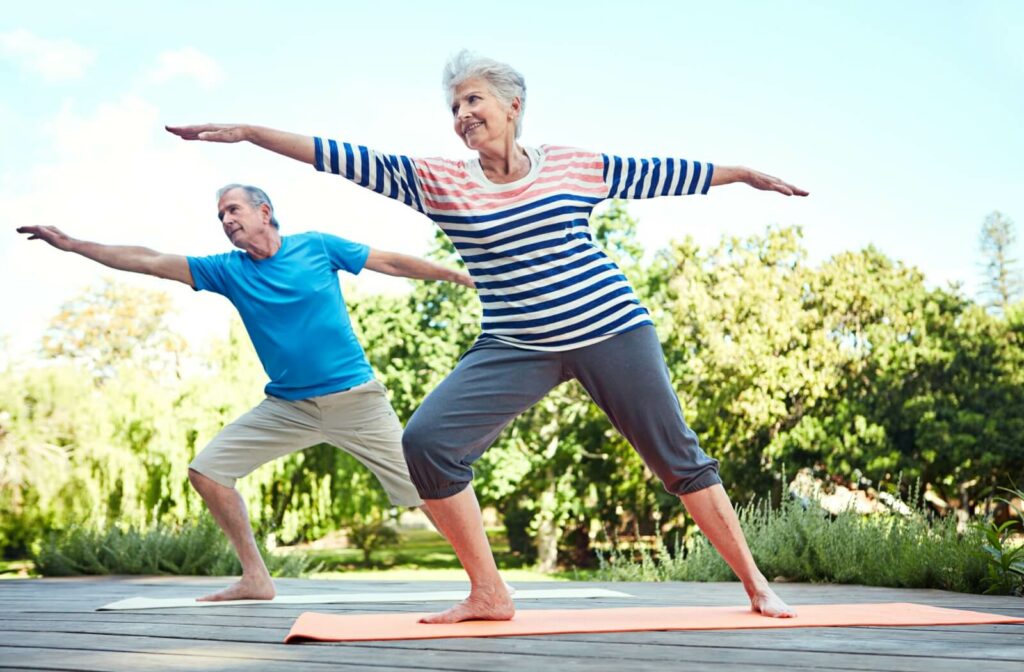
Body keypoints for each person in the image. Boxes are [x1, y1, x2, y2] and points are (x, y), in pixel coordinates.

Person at [166, 49, 809, 622]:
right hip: (514, 344)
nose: (462, 115)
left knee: (677, 458)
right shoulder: (443, 183)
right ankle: (489, 593)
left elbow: (665, 172)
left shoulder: (574, 167)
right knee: (427, 444)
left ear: (513, 106)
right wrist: (250, 134)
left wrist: (742, 173)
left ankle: (756, 584)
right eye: (454, 106)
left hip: (610, 328)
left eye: (474, 100)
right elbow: (342, 158)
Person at [17, 183, 473, 602]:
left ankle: (486, 581)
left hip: (356, 402)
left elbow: (391, 262)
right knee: (208, 471)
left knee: (426, 489)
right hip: (288, 407)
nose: (226, 220)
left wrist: (459, 277)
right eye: (220, 216)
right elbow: (150, 261)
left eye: (232, 210)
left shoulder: (315, 246)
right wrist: (74, 245)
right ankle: (256, 577)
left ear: (264, 211)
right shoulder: (227, 270)